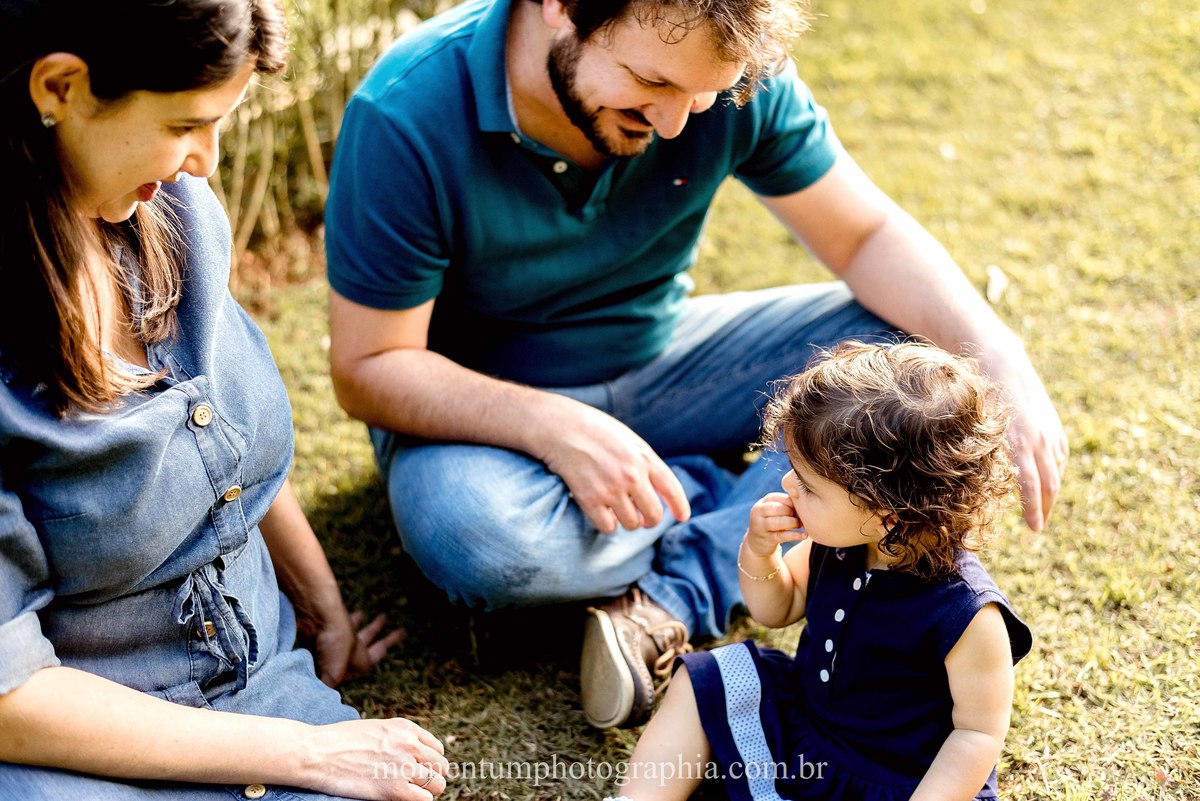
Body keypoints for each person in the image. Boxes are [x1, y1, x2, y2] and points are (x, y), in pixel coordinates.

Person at [323, 0, 1066, 730]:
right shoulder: (405, 110)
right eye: (652, 84)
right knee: (475, 539)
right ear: (562, 6)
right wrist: (552, 427)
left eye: (705, 95)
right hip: (484, 420)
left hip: (667, 361)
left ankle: (682, 582)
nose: (677, 123)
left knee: (915, 359)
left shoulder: (731, 78)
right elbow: (370, 366)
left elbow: (865, 235)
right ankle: (724, 489)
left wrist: (1001, 356)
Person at [0, 1, 448, 798]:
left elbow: (229, 448)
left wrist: (323, 610)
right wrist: (305, 754)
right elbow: (9, 691)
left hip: (261, 688)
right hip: (72, 744)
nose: (205, 160)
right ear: (60, 86)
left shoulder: (169, 206)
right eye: (183, 124)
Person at [607, 340, 1034, 801]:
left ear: (886, 514)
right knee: (708, 677)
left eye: (808, 485)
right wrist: (760, 552)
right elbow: (778, 607)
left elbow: (977, 736)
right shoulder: (842, 545)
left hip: (894, 780)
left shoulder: (967, 615)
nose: (788, 485)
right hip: (806, 735)